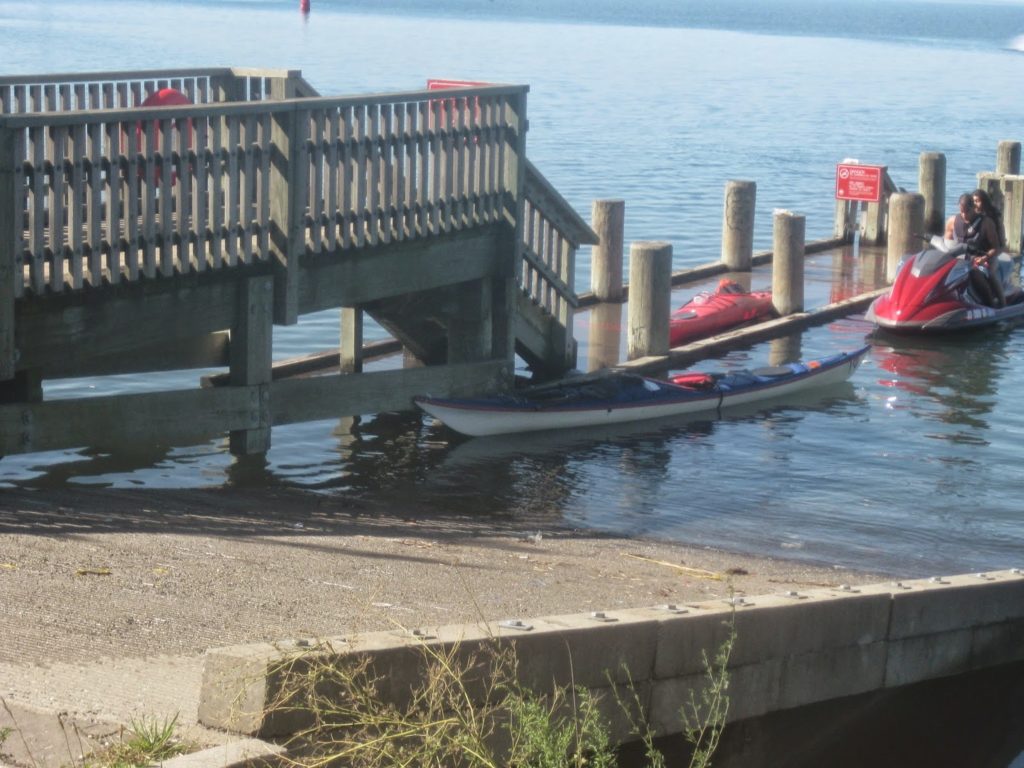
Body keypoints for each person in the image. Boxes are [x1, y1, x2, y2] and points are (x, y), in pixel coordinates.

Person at [965, 188, 1006, 307]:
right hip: (976, 253)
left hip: (992, 253)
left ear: (984, 201)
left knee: (990, 273)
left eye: (978, 201)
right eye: (973, 201)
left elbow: (1000, 245)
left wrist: (986, 257)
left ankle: (1002, 302)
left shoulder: (993, 219)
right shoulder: (973, 218)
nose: (976, 204)